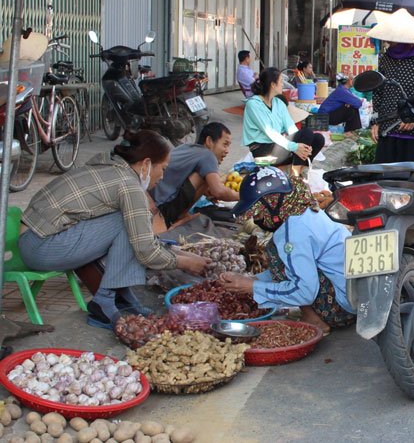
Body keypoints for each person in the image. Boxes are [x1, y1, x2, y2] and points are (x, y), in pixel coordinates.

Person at [18, 130, 209, 328]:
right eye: (162, 168)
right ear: (146, 164)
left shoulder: (111, 166)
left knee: (131, 225)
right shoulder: (129, 185)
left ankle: (123, 298)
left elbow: (144, 240)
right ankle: (104, 302)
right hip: (40, 246)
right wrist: (184, 263)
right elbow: (146, 251)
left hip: (36, 239)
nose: (162, 176)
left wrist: (176, 252)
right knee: (127, 222)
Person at [221, 167, 354, 335]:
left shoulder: (293, 232)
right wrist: (252, 279)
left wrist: (253, 287)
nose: (256, 220)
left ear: (273, 205)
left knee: (276, 253)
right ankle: (313, 313)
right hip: (352, 295)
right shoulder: (302, 211)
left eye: (258, 213)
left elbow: (304, 291)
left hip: (341, 309)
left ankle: (314, 319)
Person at [367, 9, 414, 164]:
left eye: (391, 37)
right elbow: (379, 91)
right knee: (385, 176)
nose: (387, 41)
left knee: (411, 179)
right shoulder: (386, 58)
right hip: (388, 126)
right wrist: (376, 121)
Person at [150, 122, 240, 233]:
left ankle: (179, 216)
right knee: (205, 178)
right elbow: (218, 191)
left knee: (206, 178)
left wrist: (207, 191)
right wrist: (243, 196)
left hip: (152, 205)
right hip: (160, 212)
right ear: (209, 141)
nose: (227, 150)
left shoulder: (186, 147)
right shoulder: (208, 155)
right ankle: (177, 218)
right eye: (225, 144)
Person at [242, 67, 325, 170]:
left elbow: (291, 128)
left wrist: (304, 146)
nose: (282, 85)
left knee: (318, 139)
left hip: (278, 148)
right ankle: (296, 176)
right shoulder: (253, 105)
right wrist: (294, 146)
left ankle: (300, 171)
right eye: (281, 82)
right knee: (307, 132)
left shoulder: (279, 103)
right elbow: (270, 132)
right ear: (273, 85)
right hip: (263, 154)